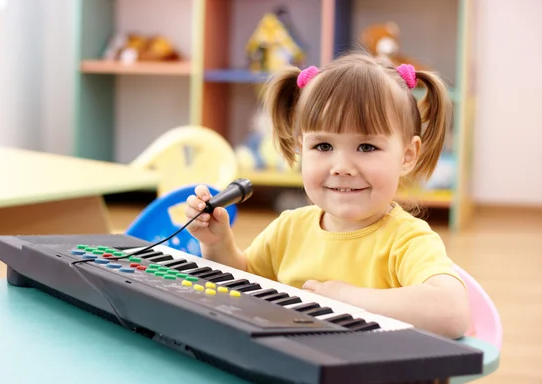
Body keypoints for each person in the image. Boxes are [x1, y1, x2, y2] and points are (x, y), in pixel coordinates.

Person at [184, 51, 470, 340]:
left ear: (407, 155)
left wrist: (348, 299)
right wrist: (218, 244)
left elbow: (454, 312)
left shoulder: (407, 241)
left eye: (367, 147)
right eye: (323, 146)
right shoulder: (289, 229)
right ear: (301, 148)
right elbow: (244, 282)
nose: (342, 167)